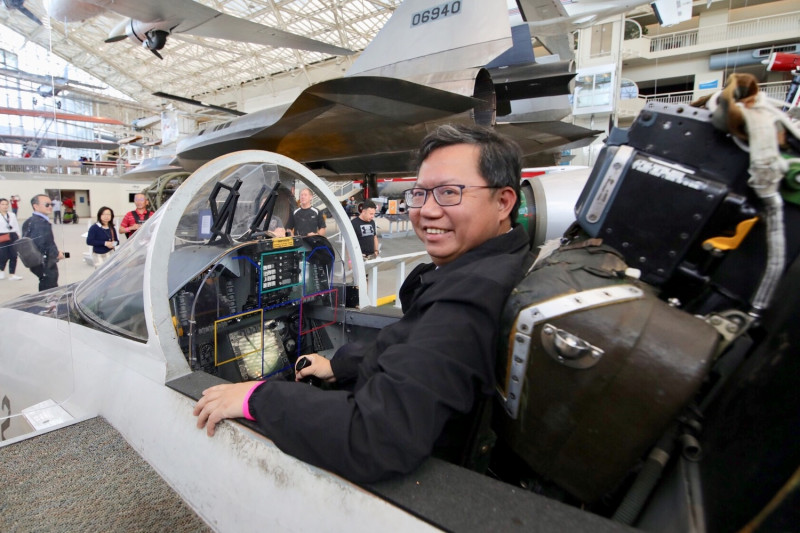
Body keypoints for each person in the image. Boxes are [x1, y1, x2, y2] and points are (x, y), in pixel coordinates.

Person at [194, 124, 532, 483]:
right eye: (420, 193)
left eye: (450, 192)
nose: (428, 211)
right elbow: (410, 340)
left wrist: (257, 396)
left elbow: (374, 437)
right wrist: (338, 365)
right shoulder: (495, 264)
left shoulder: (469, 297)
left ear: (503, 202)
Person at [22, 194, 63, 291]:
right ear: (35, 206)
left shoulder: (29, 221)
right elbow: (42, 244)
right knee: (49, 289)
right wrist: (56, 254)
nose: (50, 207)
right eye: (46, 204)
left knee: (45, 284)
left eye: (51, 204)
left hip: (36, 262)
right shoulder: (41, 222)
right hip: (46, 263)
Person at [0, 198, 23, 280]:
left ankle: (12, 274)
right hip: (2, 236)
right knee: (3, 255)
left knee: (13, 255)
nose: (5, 206)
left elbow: (16, 225)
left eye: (6, 204)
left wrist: (18, 234)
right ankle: (1, 271)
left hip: (13, 235)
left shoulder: (12, 214)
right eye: (2, 204)